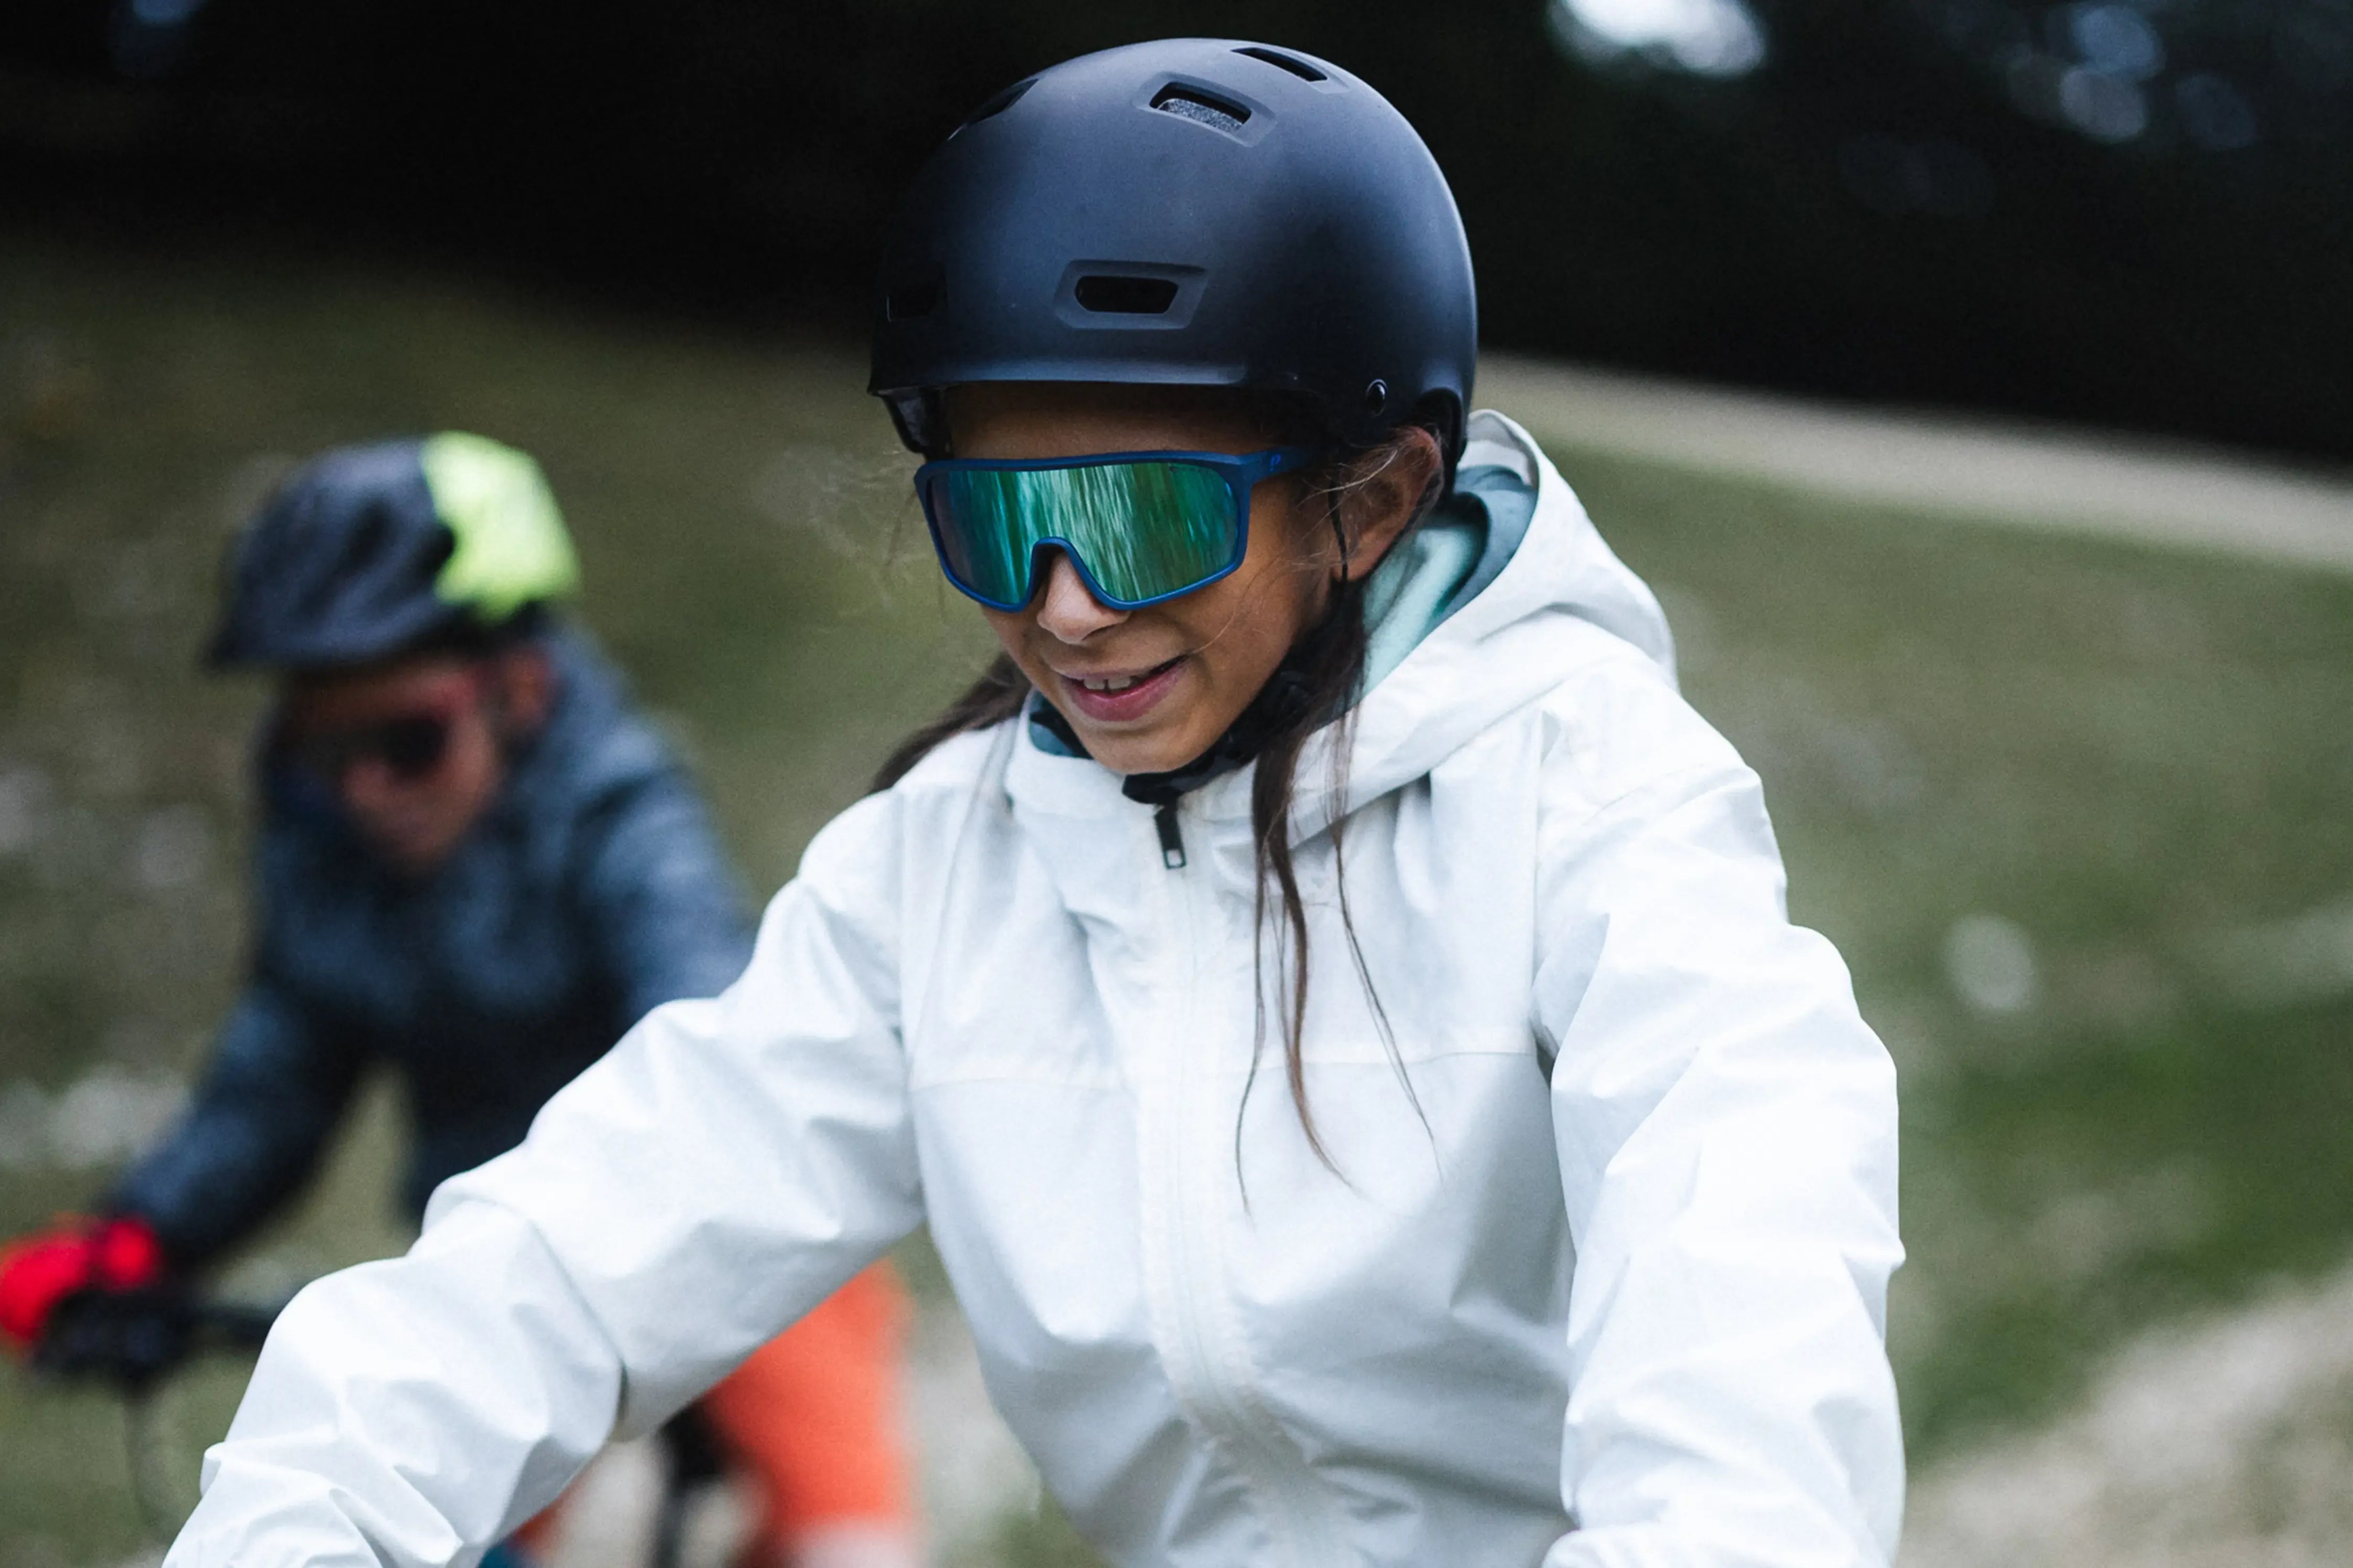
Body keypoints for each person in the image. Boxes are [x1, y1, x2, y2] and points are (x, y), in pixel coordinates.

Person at [159, 39, 1904, 1568]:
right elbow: (559, 1256)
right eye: (995, 521)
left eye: (1144, 519)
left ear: (1371, 500)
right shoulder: (943, 868)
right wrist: (299, 1516)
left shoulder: (1593, 800)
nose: (1063, 607)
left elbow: (1744, 1313)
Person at [0, 434, 920, 1568]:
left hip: (722, 1219)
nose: (363, 789)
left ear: (521, 691)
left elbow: (720, 1041)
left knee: (849, 1548)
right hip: (498, 1267)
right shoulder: (324, 849)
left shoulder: (624, 818)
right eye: (320, 750)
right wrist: (142, 1237)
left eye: (407, 741)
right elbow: (279, 1076)